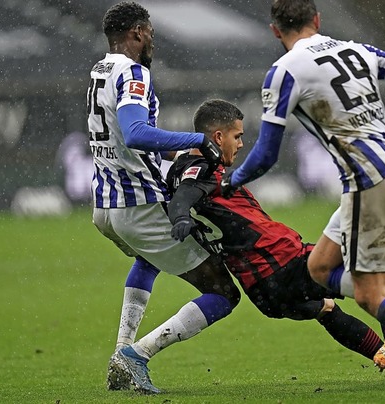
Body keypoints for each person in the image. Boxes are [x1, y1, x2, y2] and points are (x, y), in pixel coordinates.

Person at [220, 1, 385, 399]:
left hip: (369, 180)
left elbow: (266, 154)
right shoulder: (353, 50)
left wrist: (232, 180)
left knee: (369, 293)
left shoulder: (285, 70)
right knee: (319, 266)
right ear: (318, 20)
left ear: (276, 31)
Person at [87, 2, 240, 394]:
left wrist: (179, 152)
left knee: (147, 259)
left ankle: (122, 352)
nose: (153, 38)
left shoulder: (102, 70)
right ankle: (136, 355)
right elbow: (136, 133)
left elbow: (127, 141)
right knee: (223, 293)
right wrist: (196, 140)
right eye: (150, 31)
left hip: (106, 206)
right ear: (137, 33)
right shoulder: (134, 73)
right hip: (137, 204)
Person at [165, 98, 385, 364]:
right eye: (237, 137)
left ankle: (384, 356)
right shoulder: (205, 170)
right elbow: (184, 197)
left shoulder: (182, 166)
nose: (240, 144)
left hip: (261, 289)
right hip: (282, 261)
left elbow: (181, 178)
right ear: (218, 136)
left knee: (327, 308)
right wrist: (179, 216)